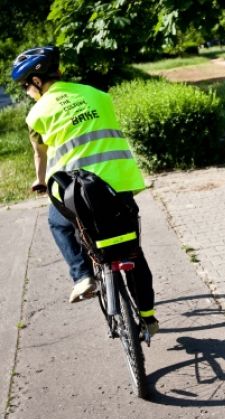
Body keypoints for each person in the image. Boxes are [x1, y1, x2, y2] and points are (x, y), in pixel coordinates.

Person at [11, 46, 158, 335]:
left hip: (77, 191)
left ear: (37, 81)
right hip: (119, 184)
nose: (27, 92)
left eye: (26, 86)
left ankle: (82, 277)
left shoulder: (37, 114)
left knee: (58, 223)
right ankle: (149, 318)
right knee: (132, 252)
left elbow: (40, 154)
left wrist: (40, 181)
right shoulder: (98, 95)